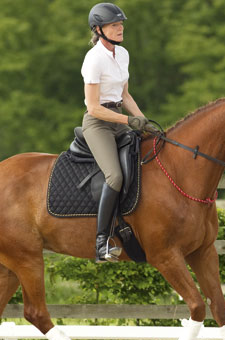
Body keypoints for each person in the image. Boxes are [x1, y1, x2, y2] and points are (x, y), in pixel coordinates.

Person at [81, 3, 157, 263]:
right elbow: (93, 107)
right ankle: (102, 242)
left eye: (121, 24)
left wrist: (143, 122)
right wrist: (129, 120)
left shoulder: (122, 54)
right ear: (99, 30)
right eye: (115, 25)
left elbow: (124, 95)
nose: (120, 27)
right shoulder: (93, 60)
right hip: (98, 123)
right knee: (114, 176)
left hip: (120, 120)